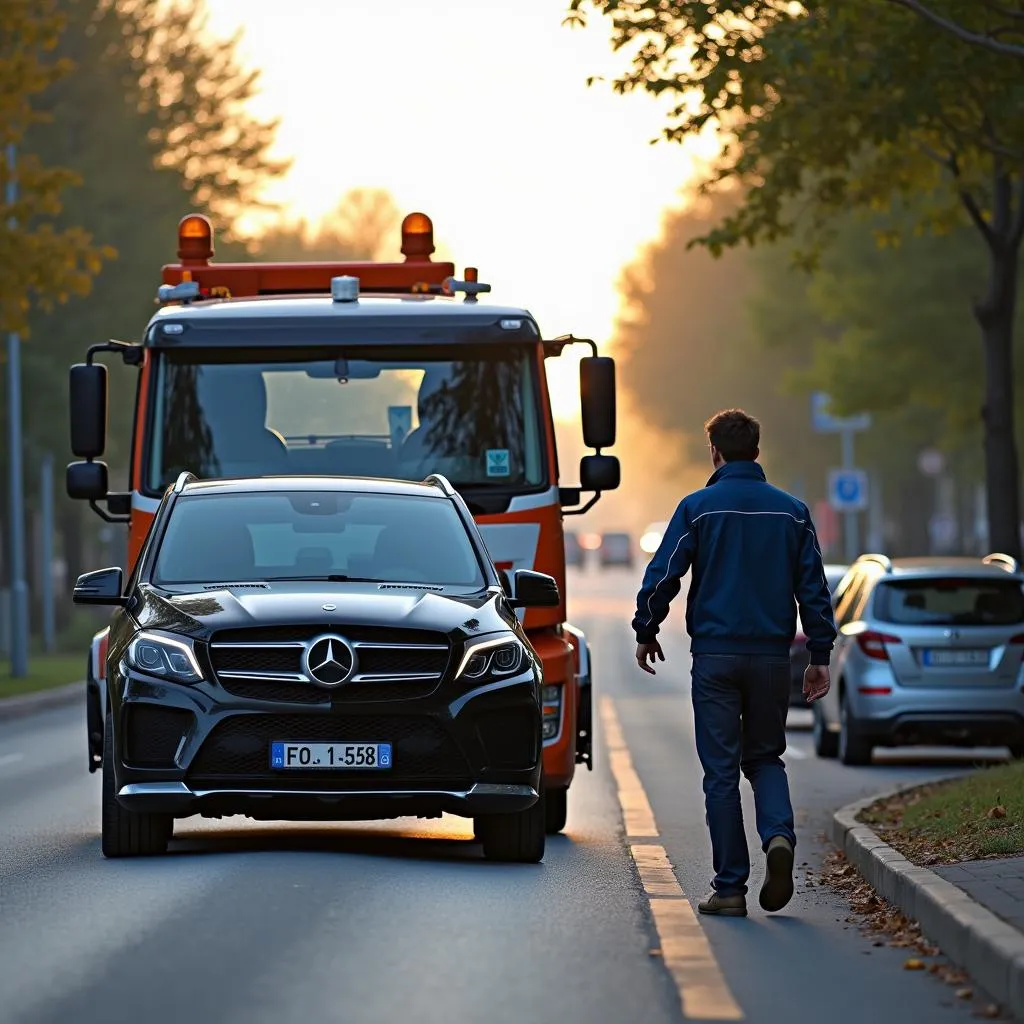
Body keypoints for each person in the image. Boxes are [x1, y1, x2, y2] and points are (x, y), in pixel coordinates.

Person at [632, 409, 837, 917]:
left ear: (715, 452)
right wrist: (819, 654)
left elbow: (665, 574)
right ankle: (778, 837)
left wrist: (646, 628)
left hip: (716, 658)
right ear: (757, 451)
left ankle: (729, 889)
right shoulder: (791, 512)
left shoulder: (698, 508)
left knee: (720, 772)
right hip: (771, 657)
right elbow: (813, 587)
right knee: (765, 757)